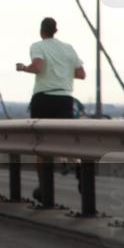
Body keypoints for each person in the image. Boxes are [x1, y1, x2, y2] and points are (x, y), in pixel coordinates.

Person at [16, 16, 85, 202]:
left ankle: (44, 190)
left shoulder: (38, 46)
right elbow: (81, 73)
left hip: (43, 98)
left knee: (41, 145)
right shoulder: (68, 48)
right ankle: (80, 170)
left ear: (41, 30)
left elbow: (38, 67)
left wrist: (23, 68)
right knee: (67, 141)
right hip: (65, 99)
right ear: (56, 30)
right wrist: (62, 72)